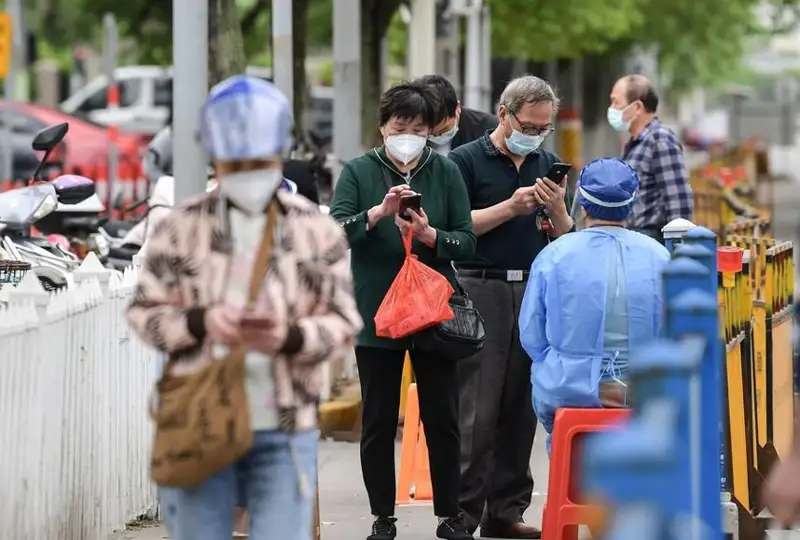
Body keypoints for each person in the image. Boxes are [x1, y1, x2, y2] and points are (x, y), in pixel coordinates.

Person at [126, 75, 362, 540]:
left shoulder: (315, 232)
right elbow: (143, 312)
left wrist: (289, 337)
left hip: (285, 422)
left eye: (257, 159)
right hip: (197, 424)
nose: (247, 170)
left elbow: (343, 322)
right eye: (236, 161)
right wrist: (200, 321)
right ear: (215, 157)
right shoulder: (180, 228)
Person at [328, 80, 477, 540]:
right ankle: (382, 516)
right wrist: (376, 213)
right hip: (377, 310)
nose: (409, 135)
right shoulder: (358, 171)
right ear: (383, 127)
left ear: (431, 130)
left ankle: (449, 515)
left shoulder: (446, 172)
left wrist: (433, 236)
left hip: (433, 312)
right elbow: (335, 232)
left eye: (418, 127)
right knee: (376, 419)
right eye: (400, 126)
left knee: (442, 417)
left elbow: (467, 241)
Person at [449, 75, 574, 539]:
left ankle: (507, 510)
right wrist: (510, 207)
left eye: (544, 127)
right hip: (481, 286)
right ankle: (461, 513)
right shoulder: (465, 161)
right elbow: (456, 229)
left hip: (535, 289)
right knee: (477, 407)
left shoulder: (547, 163)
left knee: (523, 403)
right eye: (529, 124)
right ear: (503, 114)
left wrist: (558, 209)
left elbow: (566, 237)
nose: (536, 134)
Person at [519, 158, 671, 452]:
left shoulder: (555, 255)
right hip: (644, 393)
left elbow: (532, 336)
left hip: (568, 392)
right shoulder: (659, 256)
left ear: (581, 205)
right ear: (631, 206)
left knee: (544, 379)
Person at [608, 75, 693, 241]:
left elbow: (678, 203)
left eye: (616, 102)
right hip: (635, 236)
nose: (612, 108)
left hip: (652, 238)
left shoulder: (660, 140)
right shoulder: (636, 142)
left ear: (637, 107)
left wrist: (678, 249)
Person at [417, 74, 497, 156]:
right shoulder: (410, 132)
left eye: (444, 130)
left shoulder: (489, 130)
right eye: (430, 134)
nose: (437, 137)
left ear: (457, 108)